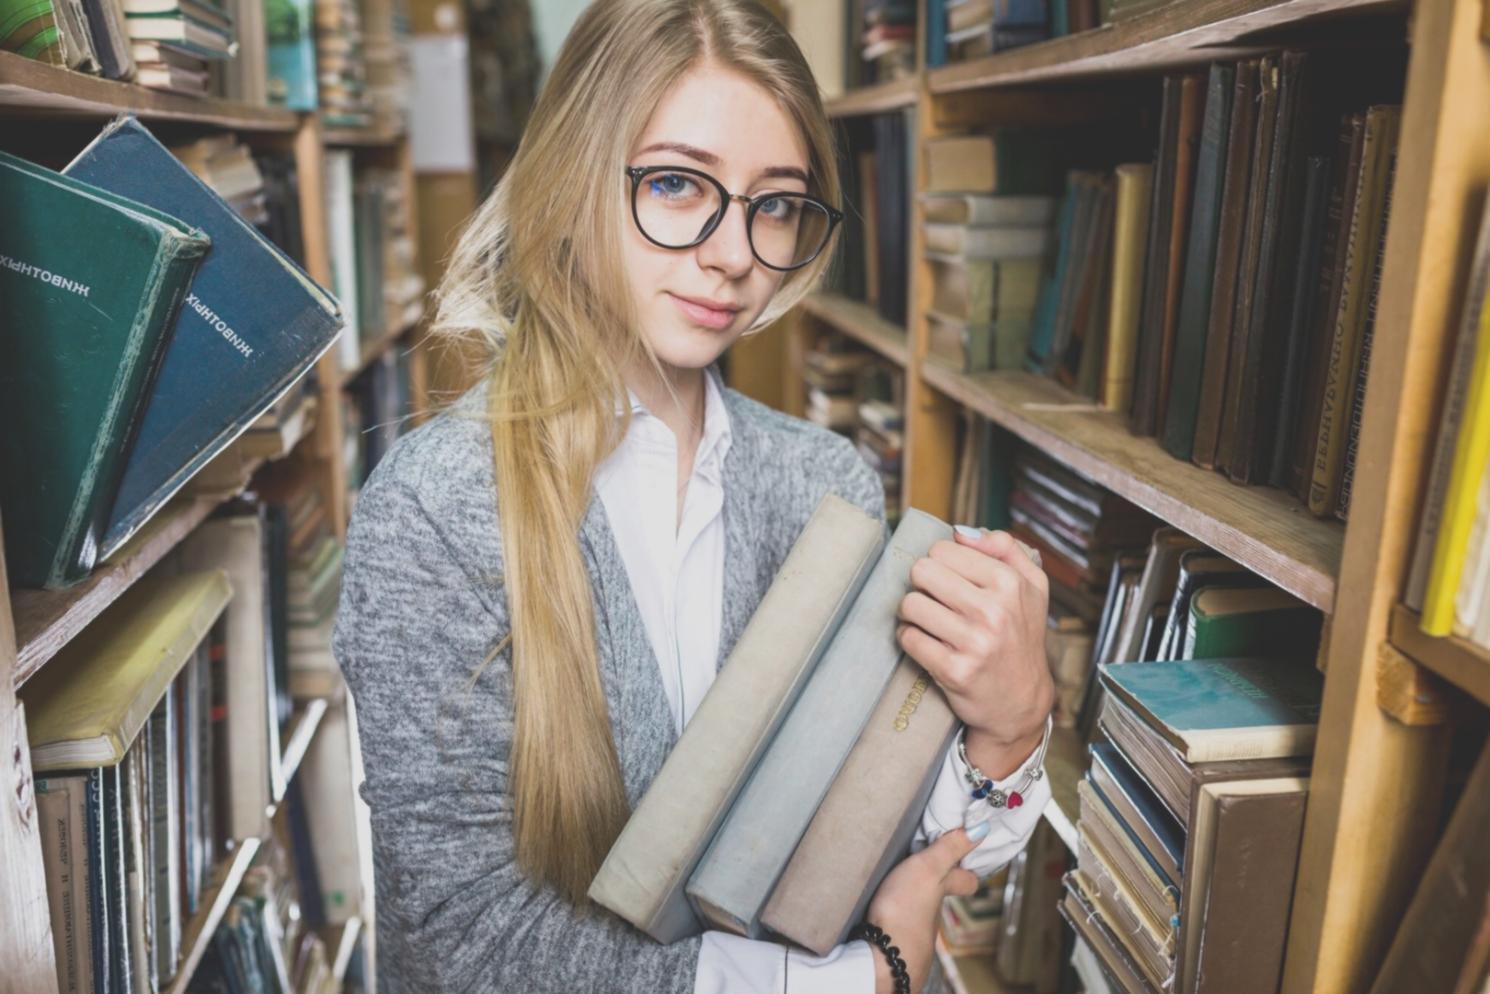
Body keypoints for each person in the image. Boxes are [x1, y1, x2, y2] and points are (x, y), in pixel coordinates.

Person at [331, 1, 1056, 991]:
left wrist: (1008, 728)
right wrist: (862, 981)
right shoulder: (434, 509)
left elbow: (883, 843)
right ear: (572, 177)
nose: (735, 253)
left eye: (776, 204)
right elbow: (472, 943)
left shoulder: (824, 484)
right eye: (676, 184)